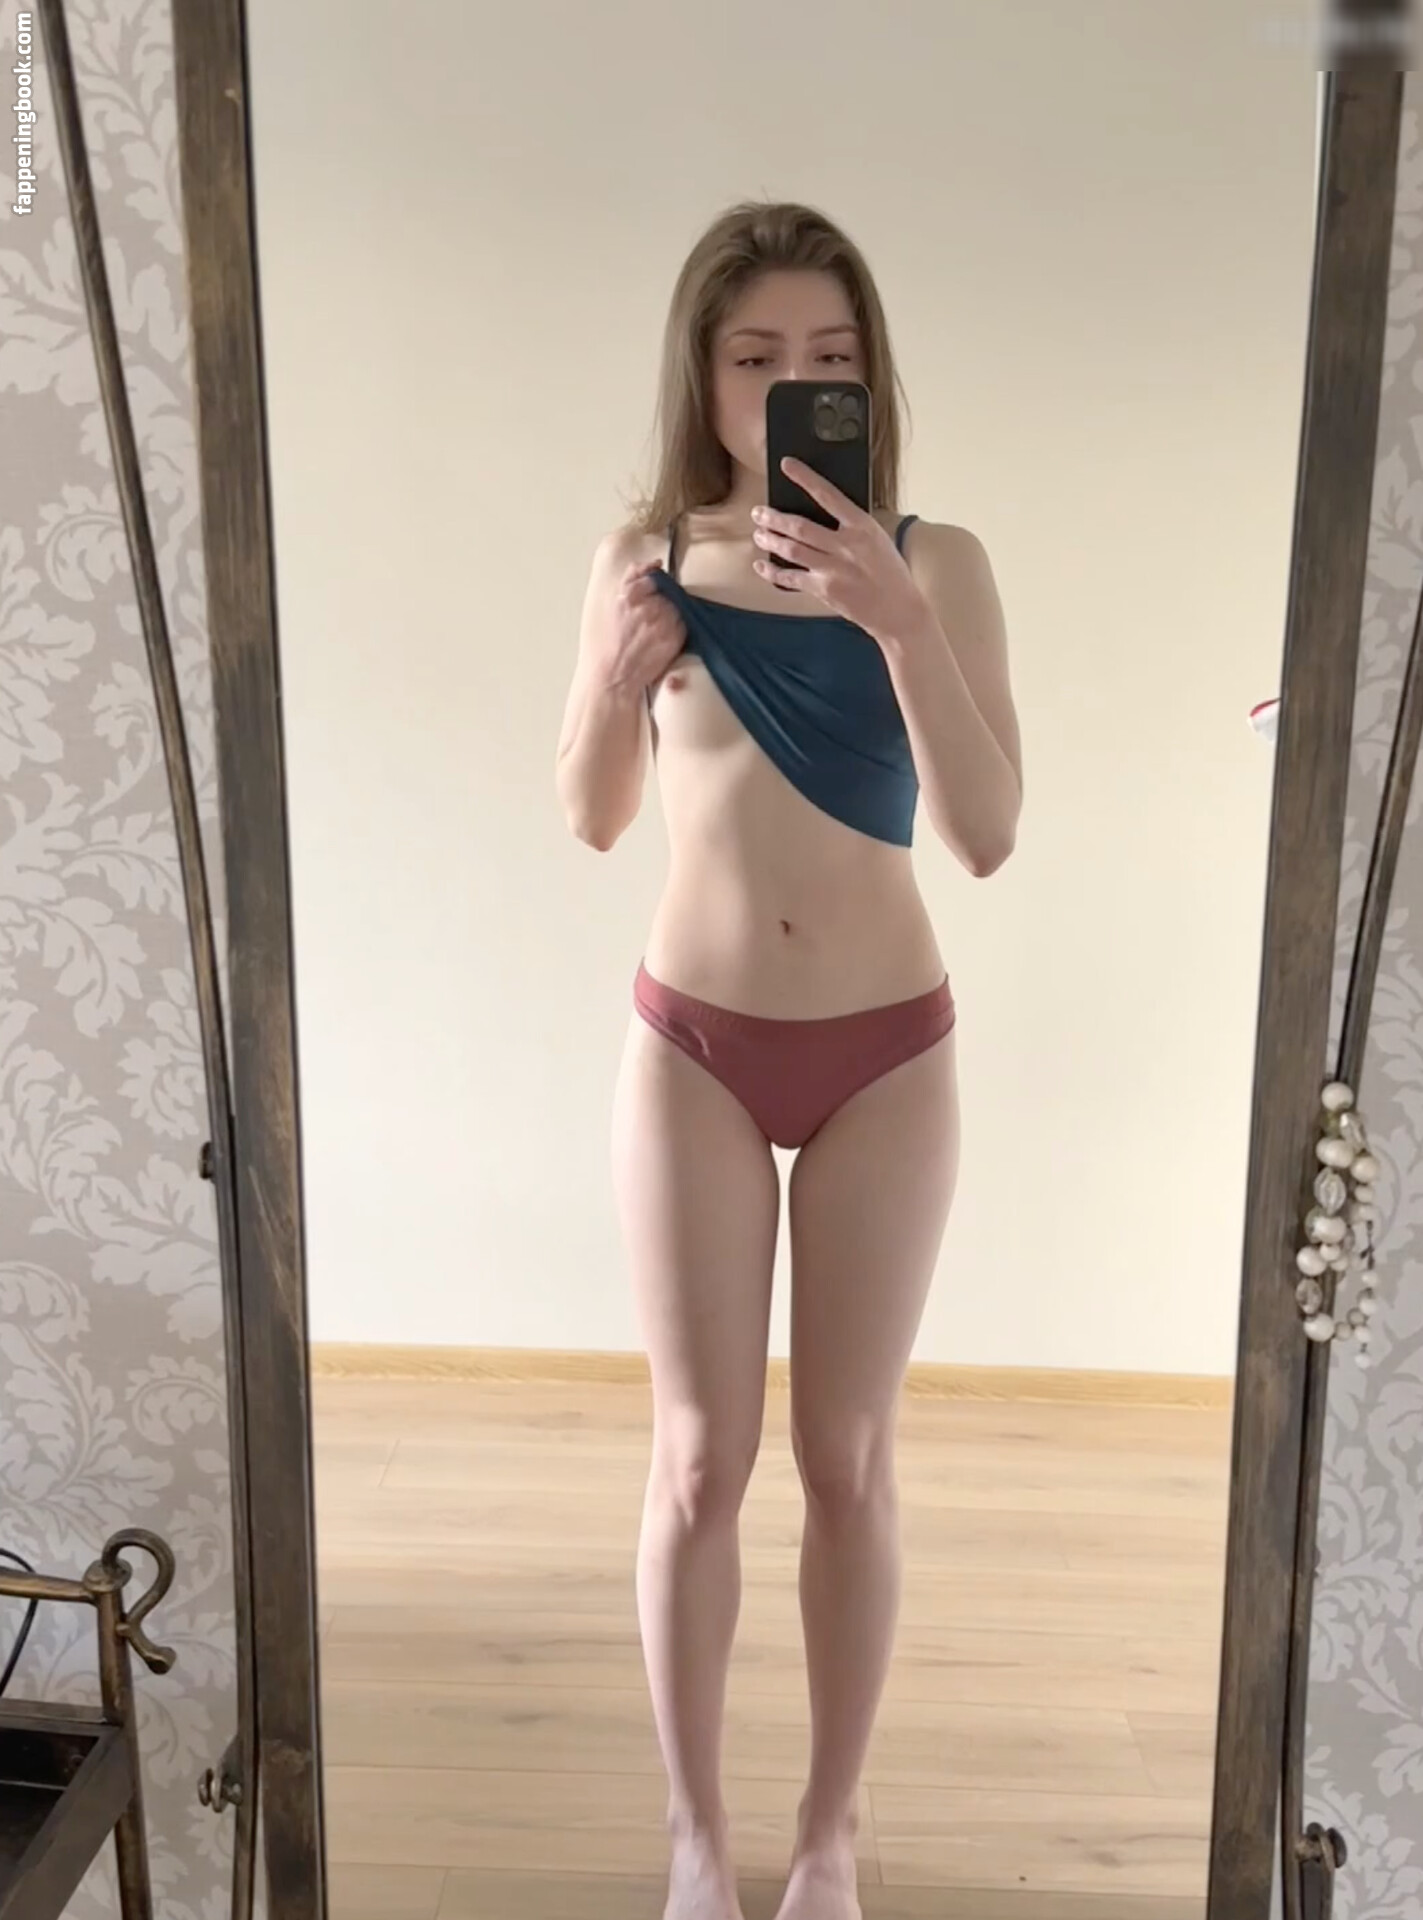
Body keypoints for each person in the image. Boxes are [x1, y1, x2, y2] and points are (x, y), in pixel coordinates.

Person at [554, 200, 1022, 1920]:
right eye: (756, 356)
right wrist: (618, 679)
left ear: (868, 378)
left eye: (829, 357)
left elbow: (988, 835)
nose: (790, 384)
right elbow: (592, 814)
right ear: (704, 376)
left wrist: (898, 623)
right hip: (692, 1043)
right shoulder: (641, 559)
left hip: (887, 1053)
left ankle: (826, 1838)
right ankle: (698, 1836)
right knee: (698, 1460)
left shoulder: (938, 564)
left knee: (848, 1458)